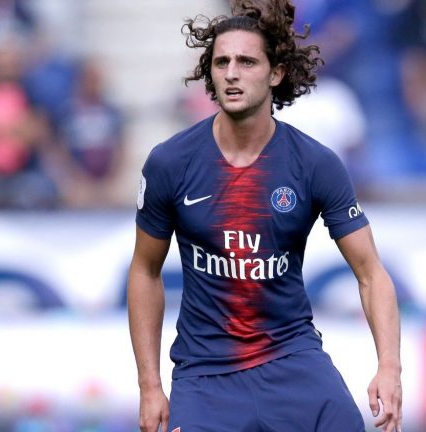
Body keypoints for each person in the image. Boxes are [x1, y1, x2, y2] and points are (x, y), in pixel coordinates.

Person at [126, 1, 402, 431]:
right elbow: (145, 271)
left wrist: (389, 367)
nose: (231, 73)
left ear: (276, 73)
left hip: (293, 361)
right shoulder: (170, 163)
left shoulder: (315, 164)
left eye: (247, 61)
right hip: (205, 376)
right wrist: (149, 386)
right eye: (221, 62)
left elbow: (371, 273)